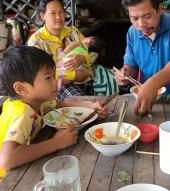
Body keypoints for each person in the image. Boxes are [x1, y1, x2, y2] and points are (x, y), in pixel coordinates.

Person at [0, 46, 107, 178]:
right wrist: (56, 143)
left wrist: (90, 107)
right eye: (48, 78)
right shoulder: (22, 113)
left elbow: (60, 103)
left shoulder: (36, 101)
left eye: (54, 75)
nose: (55, 82)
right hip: (7, 180)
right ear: (22, 88)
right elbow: (7, 160)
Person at [114, 0, 170, 115]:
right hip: (147, 100)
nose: (141, 24)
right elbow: (131, 66)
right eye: (134, 18)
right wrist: (126, 73)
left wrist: (152, 84)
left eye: (147, 16)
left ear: (160, 8)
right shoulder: (132, 32)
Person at [27, 0, 97, 100]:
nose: (58, 17)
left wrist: (82, 58)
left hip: (88, 78)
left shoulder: (73, 32)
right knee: (80, 101)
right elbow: (39, 72)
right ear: (43, 16)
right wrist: (73, 75)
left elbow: (94, 53)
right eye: (53, 13)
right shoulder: (37, 41)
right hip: (60, 85)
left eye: (61, 12)